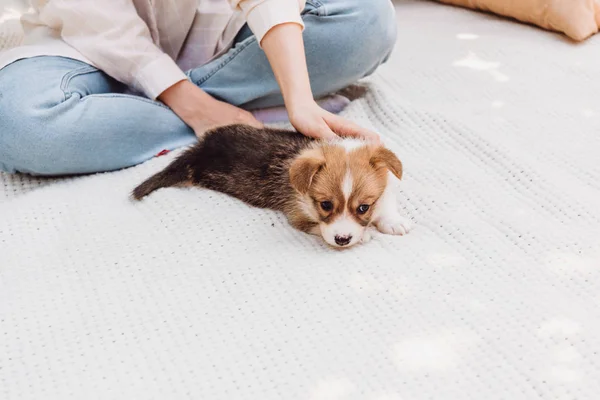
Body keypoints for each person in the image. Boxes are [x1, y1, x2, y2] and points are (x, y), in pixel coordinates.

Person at [0, 0, 397, 176]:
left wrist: (300, 100)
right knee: (19, 123)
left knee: (368, 21)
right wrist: (191, 104)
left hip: (224, 39)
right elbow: (94, 17)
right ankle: (226, 112)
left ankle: (120, 120)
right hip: (87, 46)